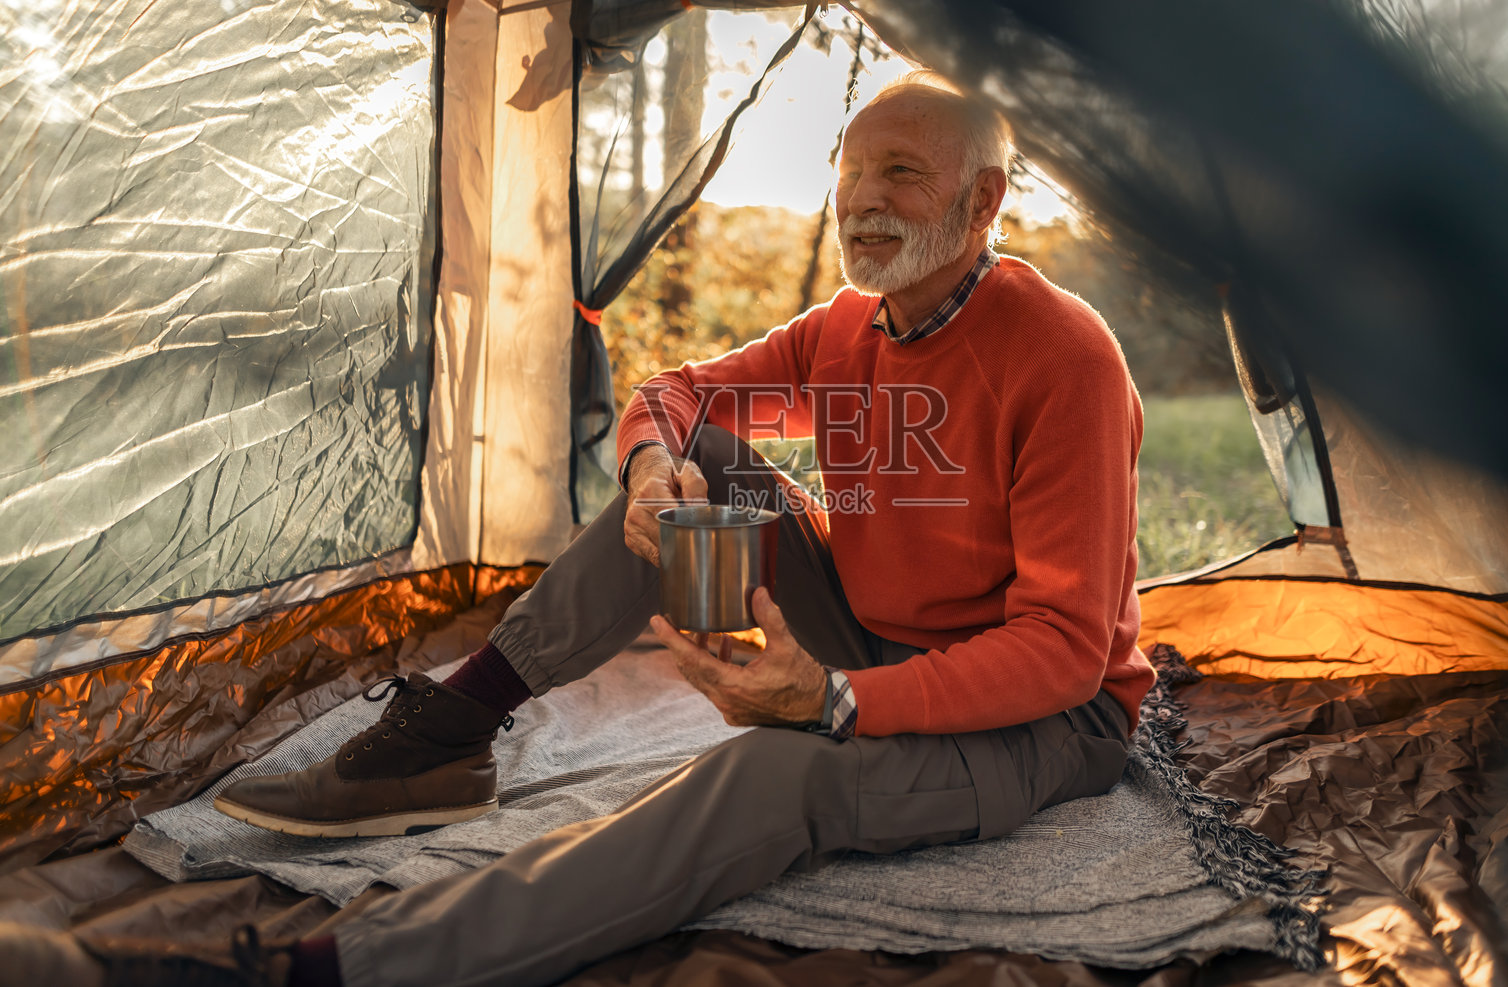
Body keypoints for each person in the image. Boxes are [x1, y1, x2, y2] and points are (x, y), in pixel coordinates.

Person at [3, 73, 1154, 987]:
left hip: (1041, 717)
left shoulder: (1063, 355)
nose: (861, 200)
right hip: (866, 628)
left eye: (900, 172)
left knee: (771, 772)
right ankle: (454, 729)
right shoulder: (845, 328)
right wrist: (651, 469)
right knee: (700, 460)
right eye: (849, 172)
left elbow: (1063, 650)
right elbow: (677, 392)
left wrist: (838, 703)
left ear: (983, 201)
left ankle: (313, 968)